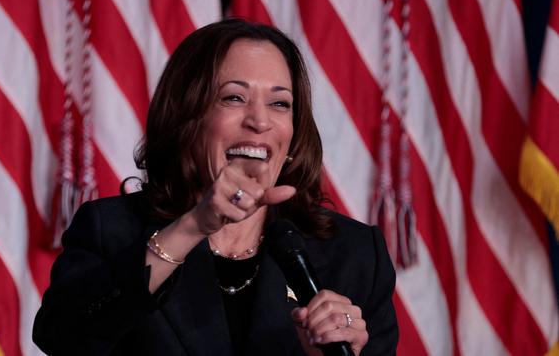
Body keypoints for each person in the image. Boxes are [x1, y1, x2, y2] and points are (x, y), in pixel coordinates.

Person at [33, 18, 398, 355]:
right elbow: (62, 338)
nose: (259, 121)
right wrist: (194, 225)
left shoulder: (355, 255)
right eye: (234, 97)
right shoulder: (110, 230)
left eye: (279, 103)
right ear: (186, 117)